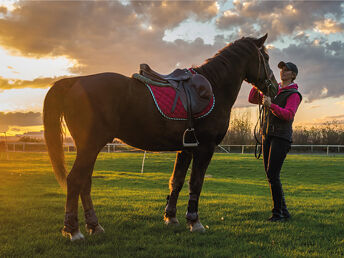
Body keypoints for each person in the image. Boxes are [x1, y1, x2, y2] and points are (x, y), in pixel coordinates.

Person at [248, 61, 302, 222]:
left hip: (281, 136)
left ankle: (277, 213)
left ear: (293, 75)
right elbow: (252, 98)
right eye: (282, 70)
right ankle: (283, 212)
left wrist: (271, 105)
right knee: (270, 175)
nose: (283, 72)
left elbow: (288, 115)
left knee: (273, 174)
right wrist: (259, 83)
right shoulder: (273, 89)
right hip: (267, 135)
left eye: (287, 70)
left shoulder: (293, 94)